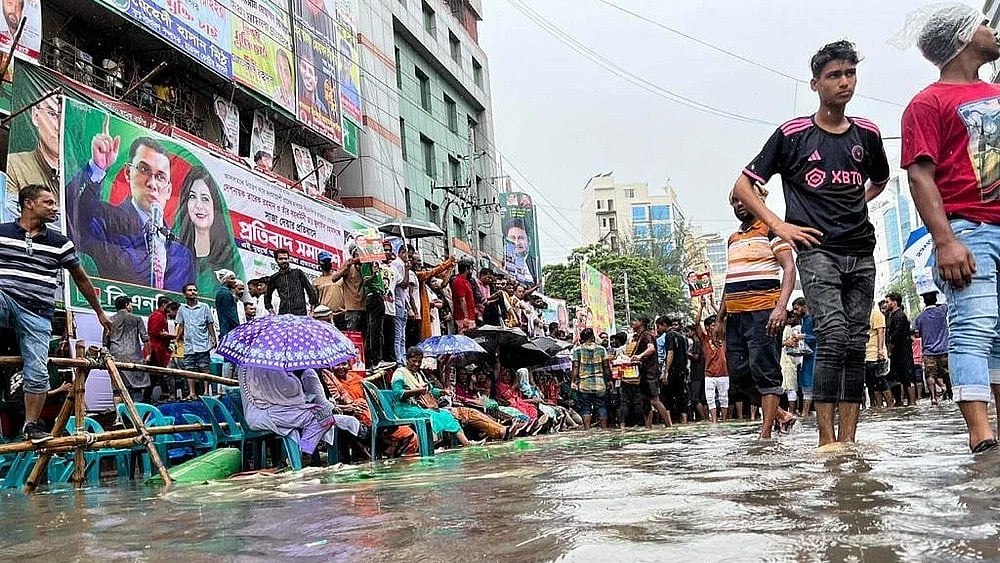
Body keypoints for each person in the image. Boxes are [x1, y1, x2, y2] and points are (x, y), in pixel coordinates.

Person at [733, 40, 890, 447]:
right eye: (834, 75)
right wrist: (780, 226)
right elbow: (744, 185)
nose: (844, 82)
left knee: (856, 342)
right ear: (815, 83)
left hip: (861, 249)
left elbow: (881, 179)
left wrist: (857, 202)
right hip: (817, 251)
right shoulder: (793, 135)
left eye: (850, 73)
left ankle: (848, 440)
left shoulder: (868, 134)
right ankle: (825, 440)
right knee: (834, 333)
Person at [901, 5, 1000, 451]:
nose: (991, 28)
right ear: (962, 38)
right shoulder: (927, 103)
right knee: (974, 328)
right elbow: (921, 175)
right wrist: (946, 241)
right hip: (968, 230)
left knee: (998, 334)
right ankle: (980, 433)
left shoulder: (995, 92)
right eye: (983, 23)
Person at [0, 184, 112, 443]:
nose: (54, 208)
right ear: (29, 203)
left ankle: (31, 426)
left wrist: (100, 313)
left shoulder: (60, 243)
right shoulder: (3, 233)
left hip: (37, 312)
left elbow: (82, 280)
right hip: (5, 300)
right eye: (48, 203)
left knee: (38, 371)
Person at [66, 129, 195, 291]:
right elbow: (71, 216)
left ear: (168, 191)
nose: (152, 184)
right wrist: (97, 168)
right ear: (128, 173)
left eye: (161, 176)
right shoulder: (105, 219)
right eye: (143, 170)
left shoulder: (182, 254)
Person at [715, 186, 797, 439]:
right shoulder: (733, 239)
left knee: (765, 371)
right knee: (739, 377)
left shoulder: (772, 229)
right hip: (736, 316)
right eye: (735, 202)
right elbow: (731, 281)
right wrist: (720, 318)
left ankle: (766, 435)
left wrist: (781, 307)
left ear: (759, 200)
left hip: (764, 312)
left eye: (743, 200)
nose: (739, 205)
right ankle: (782, 415)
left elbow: (789, 269)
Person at [321, 363, 419, 458]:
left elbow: (370, 397)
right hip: (357, 418)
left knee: (410, 435)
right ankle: (388, 447)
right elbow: (332, 404)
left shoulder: (357, 378)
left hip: (371, 413)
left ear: (349, 365)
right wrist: (350, 407)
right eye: (337, 365)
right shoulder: (331, 382)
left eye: (344, 364)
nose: (341, 367)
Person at [173, 167, 244, 293]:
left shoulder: (230, 255)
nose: (198, 206)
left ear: (215, 205)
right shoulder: (174, 248)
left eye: (205, 198)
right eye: (192, 197)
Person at [390, 347, 478, 446]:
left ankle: (466, 443)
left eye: (419, 362)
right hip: (404, 409)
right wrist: (417, 391)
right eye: (414, 361)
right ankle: (432, 447)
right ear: (407, 359)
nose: (416, 364)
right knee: (430, 416)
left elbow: (430, 390)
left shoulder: (419, 374)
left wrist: (443, 392)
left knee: (446, 415)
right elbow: (397, 393)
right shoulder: (400, 373)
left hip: (419, 408)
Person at [5, 94, 60, 219]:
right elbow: (10, 214)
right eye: (52, 115)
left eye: (66, 119)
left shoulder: (77, 176)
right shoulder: (14, 165)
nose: (59, 127)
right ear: (36, 116)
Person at [103, 295, 151, 403]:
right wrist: (148, 355)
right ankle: (137, 416)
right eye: (131, 304)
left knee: (117, 389)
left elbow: (105, 343)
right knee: (136, 388)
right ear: (127, 305)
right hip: (133, 356)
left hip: (115, 356)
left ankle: (119, 417)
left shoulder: (109, 320)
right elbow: (145, 338)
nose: (132, 307)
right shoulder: (136, 319)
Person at [176, 282, 217, 400]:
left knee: (204, 367)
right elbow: (181, 325)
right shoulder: (182, 309)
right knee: (189, 369)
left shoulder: (204, 307)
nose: (193, 292)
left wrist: (213, 339)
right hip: (189, 344)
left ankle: (205, 392)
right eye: (190, 290)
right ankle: (192, 393)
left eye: (195, 290)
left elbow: (210, 324)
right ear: (184, 294)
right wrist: (176, 338)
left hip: (202, 343)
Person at [630, 317, 672, 429]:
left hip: (650, 372)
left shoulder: (647, 335)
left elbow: (651, 349)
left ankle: (669, 425)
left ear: (642, 323)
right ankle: (648, 427)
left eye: (635, 320)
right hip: (643, 372)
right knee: (645, 401)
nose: (632, 322)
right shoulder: (641, 336)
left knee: (655, 400)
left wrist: (639, 356)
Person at [695, 299, 729, 423]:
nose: (716, 326)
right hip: (709, 373)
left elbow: (724, 320)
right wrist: (701, 307)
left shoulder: (722, 336)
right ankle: (714, 421)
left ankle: (724, 420)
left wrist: (714, 305)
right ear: (708, 327)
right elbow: (697, 324)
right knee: (710, 399)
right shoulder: (704, 338)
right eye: (713, 324)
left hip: (723, 372)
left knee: (724, 397)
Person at [914, 292, 949, 405]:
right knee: (947, 373)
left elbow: (917, 335)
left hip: (929, 351)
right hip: (944, 349)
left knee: (930, 375)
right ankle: (950, 395)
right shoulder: (942, 311)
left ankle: (933, 398)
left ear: (924, 302)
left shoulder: (920, 317)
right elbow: (946, 303)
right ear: (935, 300)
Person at [572, 328, 610, 429]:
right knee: (601, 406)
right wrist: (609, 380)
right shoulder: (602, 349)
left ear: (582, 338)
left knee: (585, 408)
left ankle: (588, 430)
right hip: (600, 383)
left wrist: (573, 381)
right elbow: (606, 367)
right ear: (593, 337)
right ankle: (604, 429)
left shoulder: (577, 350)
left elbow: (575, 367)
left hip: (584, 384)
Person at [883, 292, 916, 406]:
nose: (885, 304)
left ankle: (912, 402)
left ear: (894, 302)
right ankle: (900, 402)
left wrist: (890, 349)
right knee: (897, 377)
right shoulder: (891, 316)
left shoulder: (899, 316)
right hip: (897, 353)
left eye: (888, 302)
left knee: (907, 377)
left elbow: (895, 335)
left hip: (903, 352)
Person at [265, 248, 319, 316]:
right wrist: (271, 311)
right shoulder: (274, 278)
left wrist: (312, 311)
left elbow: (310, 291)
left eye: (286, 258)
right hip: (284, 314)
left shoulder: (298, 273)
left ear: (289, 259)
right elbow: (267, 296)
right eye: (281, 259)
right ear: (276, 260)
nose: (284, 261)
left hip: (300, 314)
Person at [313, 250, 356, 329]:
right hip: (325, 316)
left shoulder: (339, 277)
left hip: (342, 314)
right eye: (324, 261)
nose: (327, 263)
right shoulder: (316, 282)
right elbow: (314, 301)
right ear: (319, 263)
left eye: (328, 261)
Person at [863, 303, 893, 409]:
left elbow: (881, 332)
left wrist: (880, 351)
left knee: (881, 381)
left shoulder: (876, 313)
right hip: (866, 353)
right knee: (873, 383)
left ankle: (890, 406)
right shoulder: (863, 314)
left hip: (875, 353)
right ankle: (879, 406)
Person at [792, 297, 817, 416]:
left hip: (814, 356)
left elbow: (816, 337)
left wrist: (802, 337)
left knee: (810, 384)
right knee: (806, 385)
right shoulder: (804, 320)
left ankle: (805, 412)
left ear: (804, 307)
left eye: (797, 309)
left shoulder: (812, 319)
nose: (795, 312)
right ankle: (805, 412)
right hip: (807, 357)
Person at [504, 217, 536, 284]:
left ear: (529, 241)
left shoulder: (534, 264)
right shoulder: (505, 260)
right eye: (512, 238)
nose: (516, 242)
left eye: (520, 238)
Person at [451, 260, 476, 333]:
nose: (471, 271)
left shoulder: (466, 281)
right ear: (466, 269)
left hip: (470, 317)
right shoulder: (458, 281)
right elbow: (462, 300)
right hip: (463, 318)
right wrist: (466, 317)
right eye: (470, 269)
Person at [215, 270, 239, 339]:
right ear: (225, 280)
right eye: (232, 279)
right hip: (229, 330)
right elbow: (230, 314)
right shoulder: (225, 293)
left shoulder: (221, 292)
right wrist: (239, 328)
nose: (235, 281)